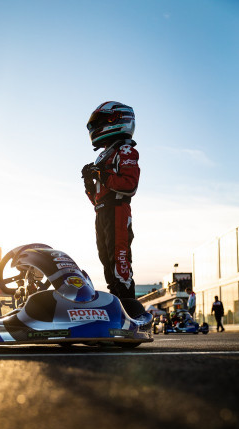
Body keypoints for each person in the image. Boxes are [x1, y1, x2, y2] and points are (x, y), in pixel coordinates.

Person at [81, 101, 140, 299]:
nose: (94, 127)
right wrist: (89, 183)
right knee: (105, 260)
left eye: (100, 122)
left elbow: (129, 185)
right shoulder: (104, 156)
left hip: (118, 211)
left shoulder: (125, 150)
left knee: (119, 260)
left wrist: (103, 174)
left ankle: (128, 304)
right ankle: (116, 305)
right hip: (103, 212)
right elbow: (96, 200)